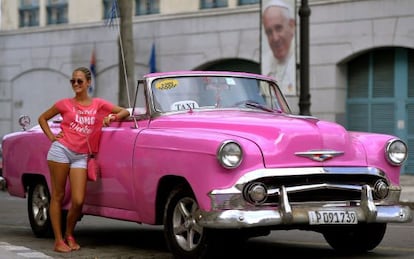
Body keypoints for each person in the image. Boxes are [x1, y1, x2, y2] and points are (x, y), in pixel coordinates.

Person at [38, 67, 130, 252]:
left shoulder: (98, 104)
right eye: (73, 81)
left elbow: (124, 112)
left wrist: (111, 117)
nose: (76, 84)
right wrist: (52, 137)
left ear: (88, 83)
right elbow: (43, 118)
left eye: (79, 81)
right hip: (61, 151)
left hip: (81, 156)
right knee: (58, 195)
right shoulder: (64, 104)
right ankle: (58, 240)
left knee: (79, 200)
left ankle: (69, 234)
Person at [262, 0, 296, 95]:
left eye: (278, 28)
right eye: (269, 32)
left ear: (291, 26)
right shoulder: (265, 62)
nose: (275, 38)